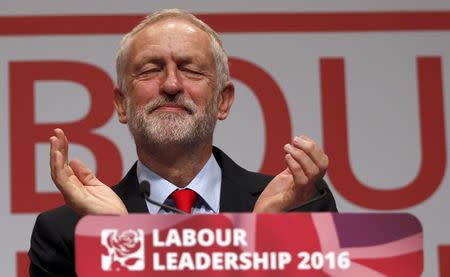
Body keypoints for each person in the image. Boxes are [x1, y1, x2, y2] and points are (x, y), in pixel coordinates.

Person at [29, 9, 337, 276]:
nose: (172, 84)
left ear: (223, 101)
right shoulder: (67, 232)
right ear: (122, 104)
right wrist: (121, 237)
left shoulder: (301, 206)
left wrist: (261, 235)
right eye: (151, 70)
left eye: (190, 69)